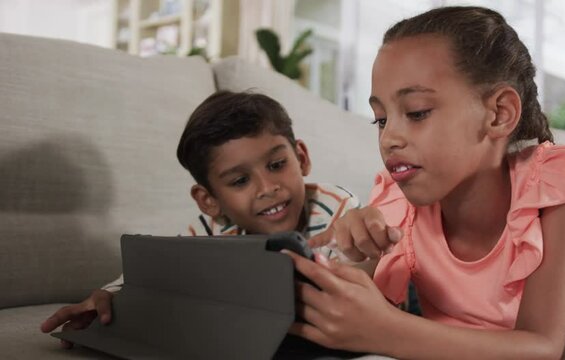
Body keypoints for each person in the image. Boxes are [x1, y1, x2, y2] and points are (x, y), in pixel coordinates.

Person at [286, 6, 565, 359]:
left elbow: (541, 345)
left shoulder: (554, 183)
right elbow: (361, 301)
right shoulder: (397, 202)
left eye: (418, 112)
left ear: (498, 114)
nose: (389, 137)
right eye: (381, 119)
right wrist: (354, 257)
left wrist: (387, 332)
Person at [40, 90, 360, 348]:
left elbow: (352, 289)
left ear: (301, 158)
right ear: (209, 201)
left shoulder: (336, 208)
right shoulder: (211, 230)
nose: (268, 188)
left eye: (276, 165)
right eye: (239, 181)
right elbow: (156, 278)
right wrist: (109, 299)